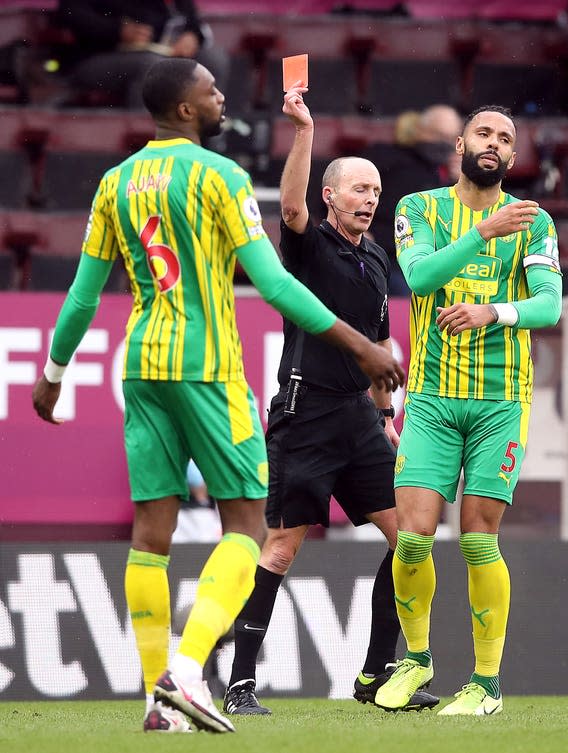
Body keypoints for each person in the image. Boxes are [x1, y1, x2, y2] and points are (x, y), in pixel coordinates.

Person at [32, 58, 404, 734]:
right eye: (210, 88)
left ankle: (156, 699)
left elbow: (86, 293)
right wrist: (362, 345)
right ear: (183, 109)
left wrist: (54, 371)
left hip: (141, 363)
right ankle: (187, 667)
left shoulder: (114, 184)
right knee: (246, 526)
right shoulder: (221, 176)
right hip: (206, 366)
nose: (221, 95)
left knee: (152, 535)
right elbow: (276, 284)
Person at [222, 82, 438, 717]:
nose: (369, 198)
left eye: (375, 190)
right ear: (330, 195)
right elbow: (288, 207)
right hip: (305, 412)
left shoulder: (377, 258)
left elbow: (376, 343)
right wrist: (305, 132)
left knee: (408, 541)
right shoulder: (309, 243)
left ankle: (375, 675)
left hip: (358, 420)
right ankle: (239, 683)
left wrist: (385, 416)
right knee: (283, 548)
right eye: (358, 189)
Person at [373, 105, 562, 716]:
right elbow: (422, 278)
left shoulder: (534, 223)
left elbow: (549, 306)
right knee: (412, 538)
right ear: (460, 142)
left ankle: (486, 684)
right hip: (431, 397)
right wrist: (483, 232)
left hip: (502, 399)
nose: (494, 144)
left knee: (480, 539)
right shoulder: (418, 208)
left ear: (511, 158)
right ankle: (417, 659)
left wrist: (495, 311)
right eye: (484, 133)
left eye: (506, 140)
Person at [362, 105, 462, 294]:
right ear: (420, 130)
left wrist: (460, 184)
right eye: (439, 135)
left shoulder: (449, 174)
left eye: (451, 138)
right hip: (380, 255)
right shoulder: (383, 157)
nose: (445, 143)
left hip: (425, 259)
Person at [56, 0, 230, 108]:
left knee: (212, 60)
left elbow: (192, 19)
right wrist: (117, 31)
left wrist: (192, 36)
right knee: (153, 66)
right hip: (96, 57)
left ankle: (208, 148)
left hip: (160, 51)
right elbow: (71, 14)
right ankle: (146, 149)